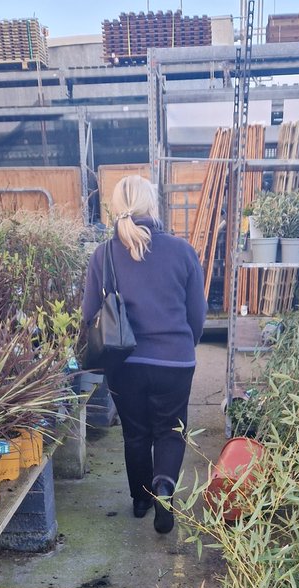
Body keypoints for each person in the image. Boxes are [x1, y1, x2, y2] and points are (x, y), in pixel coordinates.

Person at [82, 175, 206, 534]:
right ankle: (164, 488)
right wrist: (184, 344)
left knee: (136, 434)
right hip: (175, 361)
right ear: (152, 205)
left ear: (116, 208)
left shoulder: (103, 254)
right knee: (170, 430)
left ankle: (140, 500)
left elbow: (89, 314)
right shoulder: (182, 251)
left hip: (126, 363)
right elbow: (196, 315)